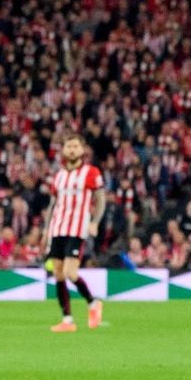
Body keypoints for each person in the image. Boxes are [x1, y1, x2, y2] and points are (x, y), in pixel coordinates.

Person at [45, 134, 106, 333]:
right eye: (68, 146)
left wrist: (95, 222)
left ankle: (93, 303)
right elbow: (53, 204)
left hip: (77, 228)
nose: (72, 149)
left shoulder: (91, 172)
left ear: (82, 150)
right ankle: (67, 320)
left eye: (75, 146)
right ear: (63, 150)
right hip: (58, 227)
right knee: (58, 273)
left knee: (70, 273)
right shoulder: (59, 175)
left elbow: (101, 199)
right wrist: (46, 229)